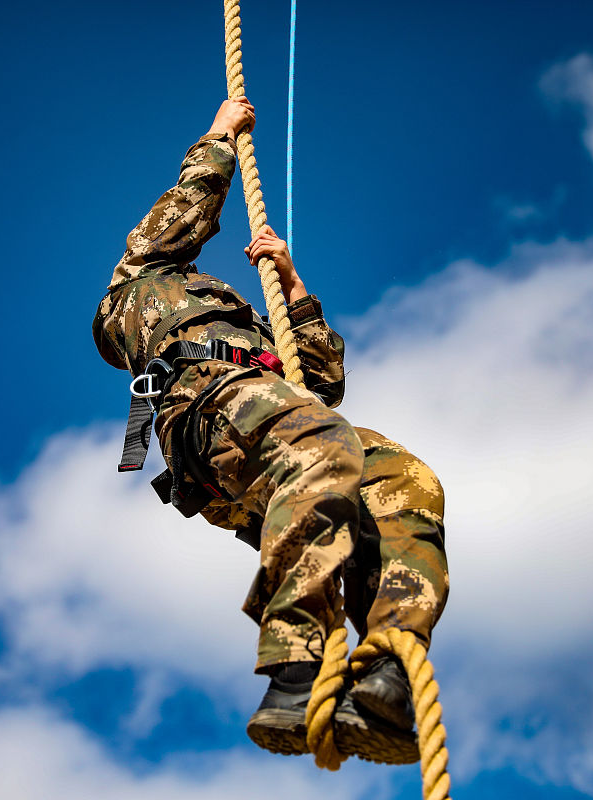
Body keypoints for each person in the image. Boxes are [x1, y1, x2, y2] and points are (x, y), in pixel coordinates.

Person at [93, 97, 448, 765]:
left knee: (402, 478)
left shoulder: (258, 337)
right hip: (211, 414)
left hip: (275, 434)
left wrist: (292, 287)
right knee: (321, 444)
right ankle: (295, 673)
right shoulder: (141, 289)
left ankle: (385, 674)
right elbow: (175, 223)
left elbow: (323, 379)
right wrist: (218, 140)